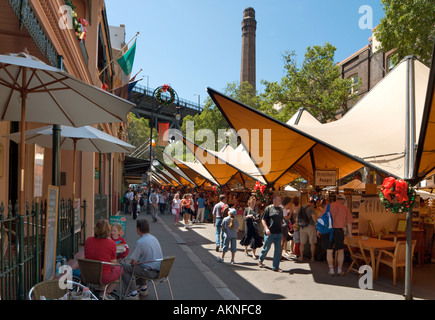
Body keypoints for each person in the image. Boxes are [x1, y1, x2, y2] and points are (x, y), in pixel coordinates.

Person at [122, 219, 163, 300]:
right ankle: (143, 287)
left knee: (123, 266)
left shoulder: (140, 242)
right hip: (160, 270)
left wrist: (130, 262)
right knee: (140, 264)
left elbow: (133, 262)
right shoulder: (154, 238)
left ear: (138, 229)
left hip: (149, 271)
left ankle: (133, 292)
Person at [84, 219, 123, 300]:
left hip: (88, 274)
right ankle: (105, 292)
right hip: (103, 276)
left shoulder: (88, 240)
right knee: (120, 270)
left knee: (104, 268)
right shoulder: (111, 243)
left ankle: (101, 290)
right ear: (108, 231)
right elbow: (113, 264)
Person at [318, 194, 353, 276]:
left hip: (327, 231)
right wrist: (349, 234)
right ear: (344, 200)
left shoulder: (328, 206)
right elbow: (349, 223)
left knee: (329, 251)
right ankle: (339, 270)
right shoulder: (345, 208)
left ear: (336, 199)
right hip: (339, 231)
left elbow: (321, 218)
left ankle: (331, 270)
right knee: (340, 251)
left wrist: (319, 230)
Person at [258, 195, 284, 272]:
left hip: (278, 232)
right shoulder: (268, 208)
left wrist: (282, 230)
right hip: (270, 232)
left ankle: (275, 266)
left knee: (278, 250)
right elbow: (263, 219)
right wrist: (266, 228)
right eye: (279, 200)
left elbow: (281, 220)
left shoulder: (280, 209)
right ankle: (260, 260)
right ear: (274, 200)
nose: (280, 201)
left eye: (280, 200)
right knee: (266, 248)